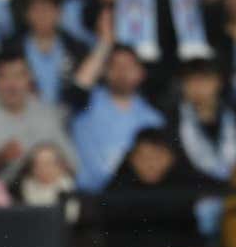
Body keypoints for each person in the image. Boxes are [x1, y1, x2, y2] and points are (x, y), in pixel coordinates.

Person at [0, 51, 77, 182]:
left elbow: (73, 166)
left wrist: (45, 165)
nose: (12, 85)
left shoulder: (48, 114)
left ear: (29, 79)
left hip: (39, 197)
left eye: (19, 76)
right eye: (4, 77)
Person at [70, 41, 166, 193]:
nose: (122, 72)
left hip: (131, 199)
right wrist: (104, 42)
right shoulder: (86, 103)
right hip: (88, 196)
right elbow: (78, 87)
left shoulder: (153, 119)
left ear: (141, 72)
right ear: (104, 71)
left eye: (129, 66)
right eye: (115, 65)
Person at [2, 0, 88, 105]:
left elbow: (82, 89)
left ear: (59, 13)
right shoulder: (10, 47)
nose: (42, 15)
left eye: (47, 9)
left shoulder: (77, 48)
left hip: (67, 116)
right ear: (26, 14)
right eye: (36, 9)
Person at [166, 59, 236, 182]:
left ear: (218, 82)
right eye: (190, 81)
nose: (197, 87)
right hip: (190, 190)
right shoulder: (170, 121)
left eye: (204, 80)